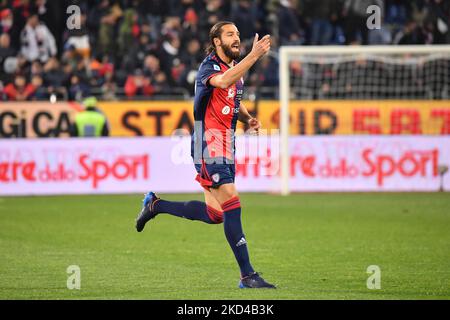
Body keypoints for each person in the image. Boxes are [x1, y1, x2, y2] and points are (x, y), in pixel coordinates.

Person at [135, 21, 275, 289]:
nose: (237, 38)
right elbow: (222, 83)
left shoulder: (235, 70)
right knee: (232, 202)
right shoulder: (209, 67)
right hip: (208, 141)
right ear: (217, 41)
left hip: (226, 142)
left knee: (216, 214)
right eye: (230, 34)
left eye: (238, 33)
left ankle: (155, 205)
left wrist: (247, 119)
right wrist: (254, 55)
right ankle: (248, 275)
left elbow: (233, 96)